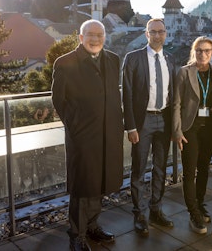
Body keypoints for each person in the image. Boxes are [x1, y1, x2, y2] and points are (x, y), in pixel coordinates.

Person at [52, 19, 123, 251]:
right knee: (83, 186)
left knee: (100, 181)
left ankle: (92, 226)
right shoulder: (65, 63)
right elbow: (59, 100)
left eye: (100, 35)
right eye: (90, 35)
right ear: (81, 38)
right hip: (82, 137)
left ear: (105, 37)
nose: (95, 39)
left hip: (107, 134)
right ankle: (77, 235)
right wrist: (75, 127)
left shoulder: (113, 60)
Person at [122, 18, 176, 236]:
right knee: (139, 169)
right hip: (142, 122)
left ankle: (156, 210)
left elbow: (174, 94)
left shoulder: (171, 60)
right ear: (146, 34)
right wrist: (131, 127)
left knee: (161, 168)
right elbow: (126, 93)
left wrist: (175, 126)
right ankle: (140, 214)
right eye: (152, 32)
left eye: (160, 31)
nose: (157, 35)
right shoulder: (133, 58)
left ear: (165, 34)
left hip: (164, 120)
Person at [173, 36, 212, 234]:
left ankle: (200, 203)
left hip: (210, 127)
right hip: (190, 128)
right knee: (189, 170)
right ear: (193, 52)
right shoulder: (185, 73)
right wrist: (177, 131)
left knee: (203, 168)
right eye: (199, 50)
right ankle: (193, 212)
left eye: (207, 51)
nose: (203, 54)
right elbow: (176, 103)